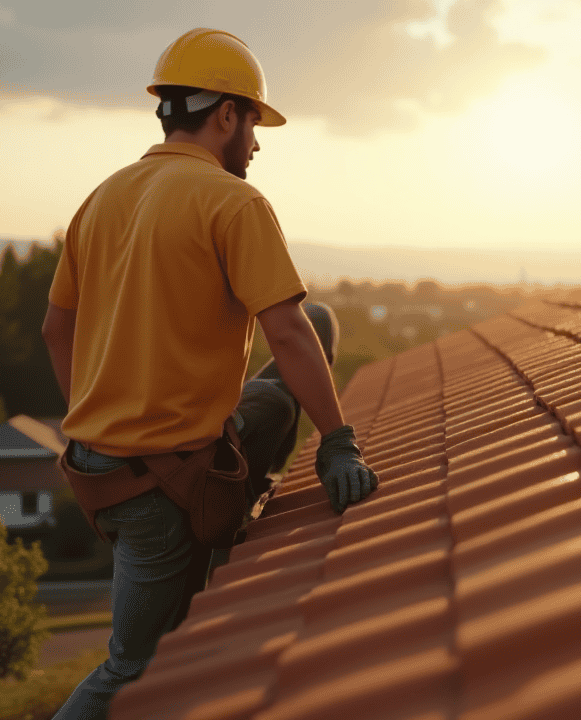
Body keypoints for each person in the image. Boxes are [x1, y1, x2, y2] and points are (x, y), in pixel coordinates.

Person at [42, 28, 377, 720]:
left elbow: (56, 330)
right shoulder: (233, 201)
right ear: (225, 114)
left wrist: (104, 416)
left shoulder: (101, 199)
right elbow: (280, 330)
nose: (255, 144)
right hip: (157, 489)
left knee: (299, 359)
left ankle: (227, 522)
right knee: (131, 669)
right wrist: (339, 441)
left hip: (101, 467)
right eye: (253, 124)